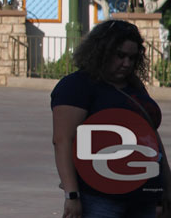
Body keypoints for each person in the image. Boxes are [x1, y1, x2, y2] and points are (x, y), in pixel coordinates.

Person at [52, 19, 171, 218]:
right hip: (100, 197)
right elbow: (63, 140)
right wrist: (72, 195)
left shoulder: (134, 87)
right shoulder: (77, 86)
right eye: (120, 55)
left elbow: (152, 139)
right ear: (101, 52)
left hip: (145, 193)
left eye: (132, 58)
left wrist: (166, 185)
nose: (127, 63)